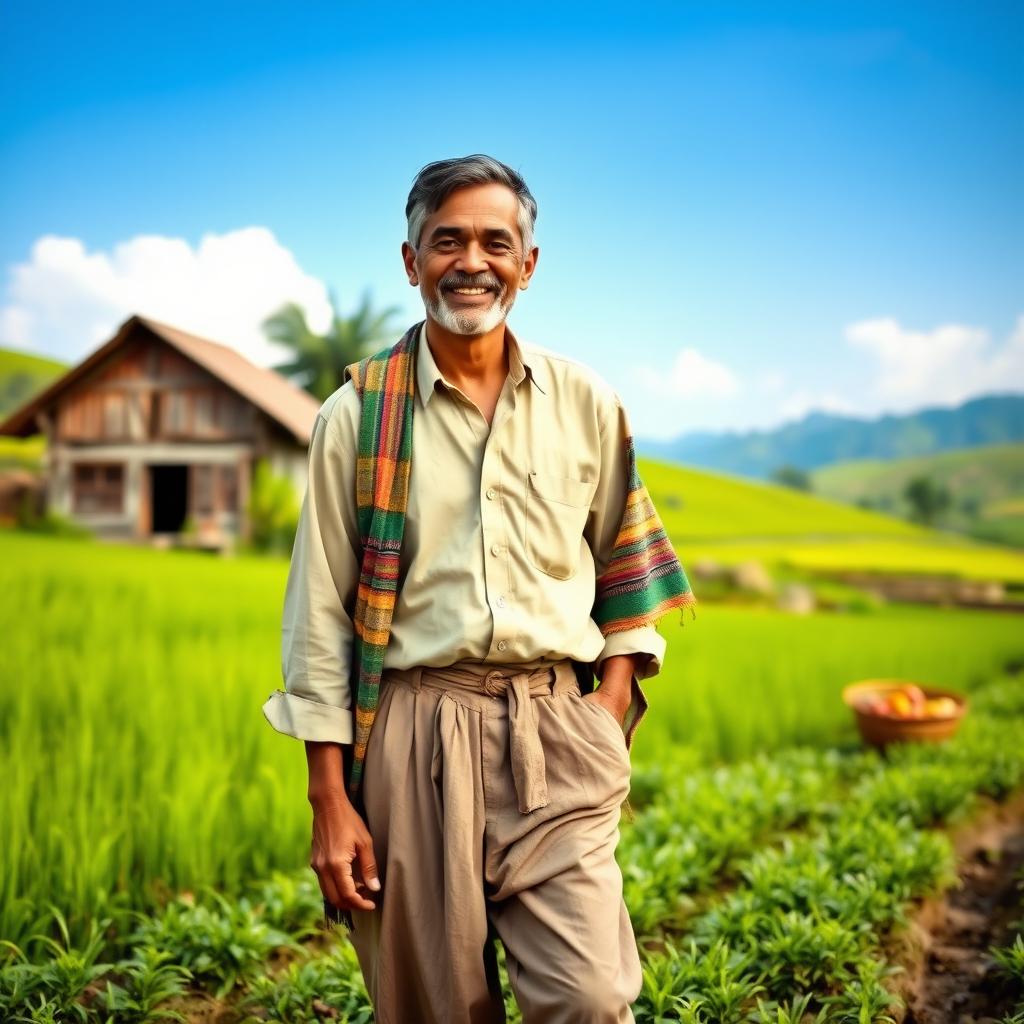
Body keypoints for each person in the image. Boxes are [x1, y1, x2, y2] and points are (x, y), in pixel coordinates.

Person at [262, 154, 694, 1023]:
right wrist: (329, 798)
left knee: (592, 997)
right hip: (414, 737)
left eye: (496, 242)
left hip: (557, 729)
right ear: (411, 259)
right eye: (446, 240)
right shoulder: (357, 416)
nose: (472, 261)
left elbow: (627, 566)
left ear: (528, 263)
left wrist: (603, 714)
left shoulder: (586, 401)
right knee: (435, 1008)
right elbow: (319, 615)